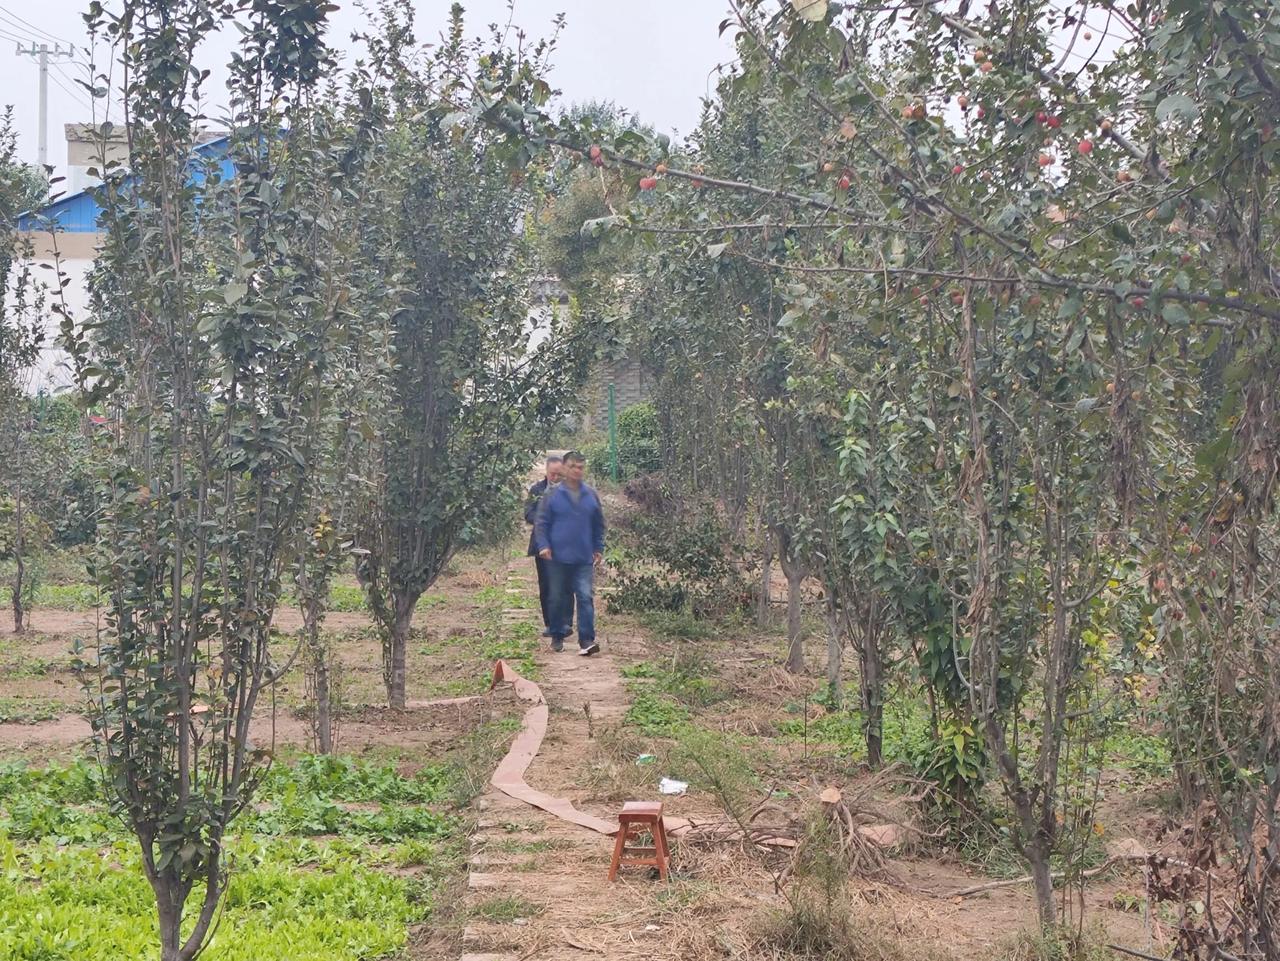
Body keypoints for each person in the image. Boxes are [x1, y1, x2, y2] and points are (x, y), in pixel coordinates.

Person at [534, 450, 605, 656]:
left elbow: (599, 524)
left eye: (580, 467)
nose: (577, 471)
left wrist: (598, 547)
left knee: (585, 596)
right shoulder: (552, 494)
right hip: (557, 557)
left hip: (583, 556)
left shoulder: (591, 495)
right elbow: (542, 522)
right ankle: (557, 634)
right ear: (564, 468)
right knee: (557, 596)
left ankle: (586, 640)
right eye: (573, 466)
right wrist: (543, 545)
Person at [524, 455, 566, 636]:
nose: (555, 478)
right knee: (546, 585)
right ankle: (550, 623)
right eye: (552, 474)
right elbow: (528, 514)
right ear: (546, 472)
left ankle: (565, 623)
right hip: (542, 544)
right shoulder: (536, 489)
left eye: (559, 474)